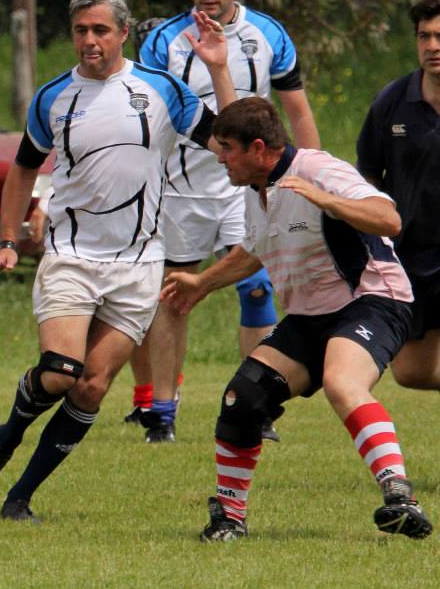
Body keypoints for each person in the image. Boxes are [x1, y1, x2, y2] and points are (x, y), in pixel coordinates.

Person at [0, 0, 233, 522]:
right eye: (81, 30)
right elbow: (21, 170)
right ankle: (6, 435)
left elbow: (229, 133)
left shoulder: (162, 91)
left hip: (138, 265)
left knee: (91, 387)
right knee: (61, 370)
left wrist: (219, 69)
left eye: (101, 30)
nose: (90, 40)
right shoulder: (53, 96)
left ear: (124, 33)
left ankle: (20, 498)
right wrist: (9, 241)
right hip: (71, 255)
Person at [161, 97, 432, 541]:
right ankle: (230, 518)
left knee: (343, 381)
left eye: (227, 147)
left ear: (259, 148)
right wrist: (202, 283)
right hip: (309, 314)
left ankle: (400, 496)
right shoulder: (254, 189)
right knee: (243, 397)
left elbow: (389, 219)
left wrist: (328, 200)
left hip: (372, 299)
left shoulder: (317, 170)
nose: (219, 156)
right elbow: (253, 251)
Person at [129, 0, 322, 442]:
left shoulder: (268, 35)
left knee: (256, 288)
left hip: (248, 188)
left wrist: (313, 172)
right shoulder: (164, 41)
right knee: (174, 295)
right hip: (182, 189)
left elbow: (296, 109)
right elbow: (151, 114)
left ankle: (258, 406)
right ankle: (163, 414)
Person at [356, 0, 440, 393]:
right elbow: (368, 175)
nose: (432, 46)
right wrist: (374, 238)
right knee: (412, 373)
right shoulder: (393, 100)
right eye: (424, 36)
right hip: (412, 256)